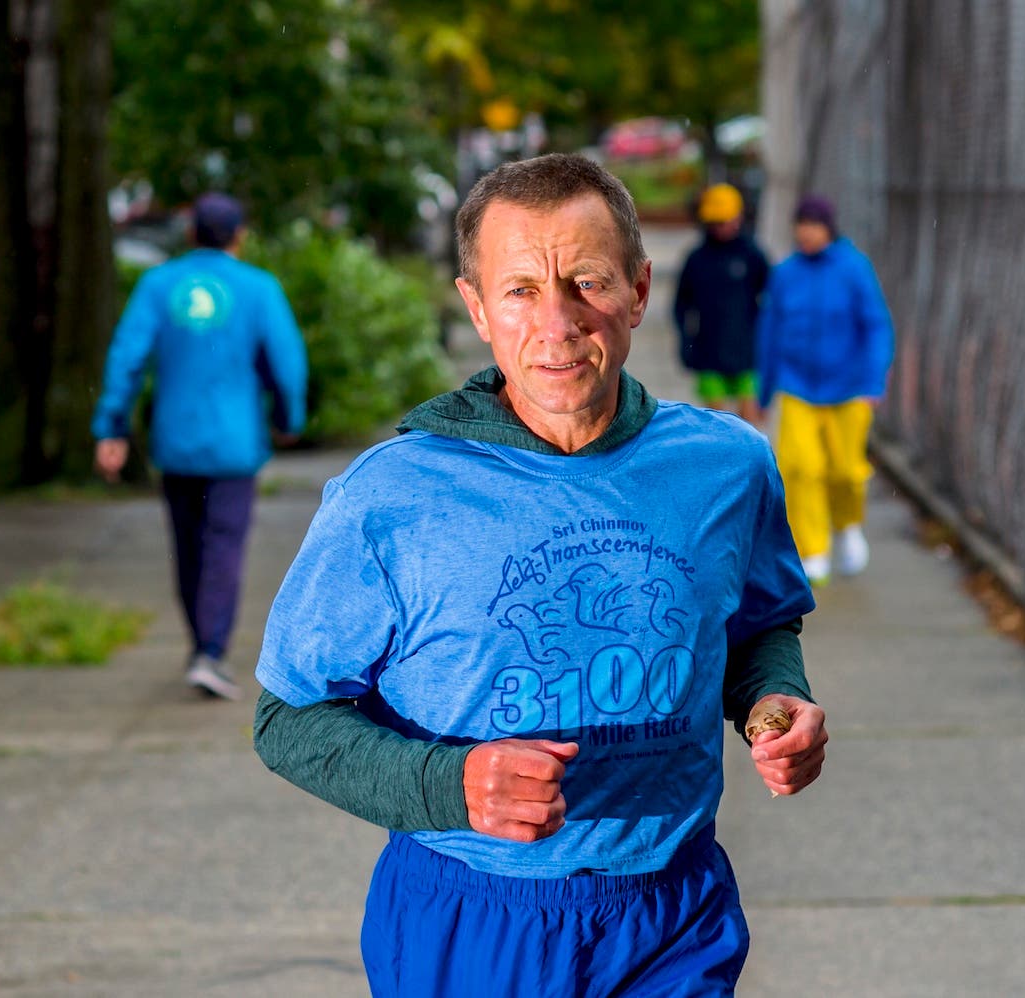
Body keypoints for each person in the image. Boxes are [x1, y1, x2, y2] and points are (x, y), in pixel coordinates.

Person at [252, 154, 828, 997]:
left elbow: (760, 623)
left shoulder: (727, 466)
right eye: (520, 290)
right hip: (473, 917)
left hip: (674, 910)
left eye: (587, 282)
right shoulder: (393, 496)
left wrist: (775, 703)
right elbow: (285, 719)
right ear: (477, 308)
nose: (556, 322)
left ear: (638, 289)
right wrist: (450, 784)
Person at [91, 192, 308, 701]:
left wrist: (112, 428)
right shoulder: (258, 288)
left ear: (190, 234)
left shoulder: (158, 285)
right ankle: (209, 652)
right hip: (235, 445)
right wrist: (287, 418)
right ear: (240, 236)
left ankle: (200, 645)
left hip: (176, 441)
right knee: (224, 547)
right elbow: (287, 363)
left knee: (188, 547)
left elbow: (126, 357)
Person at [755, 195, 893, 586]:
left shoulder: (854, 269)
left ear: (828, 228)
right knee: (801, 469)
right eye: (801, 225)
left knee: (846, 470)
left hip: (850, 386)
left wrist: (873, 379)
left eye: (813, 225)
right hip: (798, 385)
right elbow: (769, 332)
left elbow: (876, 325)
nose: (806, 233)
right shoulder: (785, 274)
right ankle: (813, 549)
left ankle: (847, 525)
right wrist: (764, 391)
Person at [672, 183, 770, 423]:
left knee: (749, 425)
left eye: (724, 221)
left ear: (739, 218)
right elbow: (681, 304)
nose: (720, 228)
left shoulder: (752, 255)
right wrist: (686, 341)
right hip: (709, 353)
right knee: (717, 422)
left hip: (748, 354)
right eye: (715, 222)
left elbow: (771, 300)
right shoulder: (697, 259)